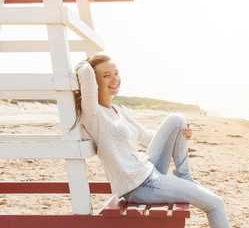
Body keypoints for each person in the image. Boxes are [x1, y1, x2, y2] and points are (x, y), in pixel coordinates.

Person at [73, 54, 231, 228]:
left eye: (116, 73)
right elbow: (85, 71)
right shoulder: (93, 114)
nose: (115, 79)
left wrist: (180, 133)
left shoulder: (117, 110)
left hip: (147, 169)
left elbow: (147, 136)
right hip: (139, 185)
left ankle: (185, 176)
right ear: (93, 83)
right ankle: (188, 181)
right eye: (106, 75)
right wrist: (84, 63)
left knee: (177, 120)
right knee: (216, 204)